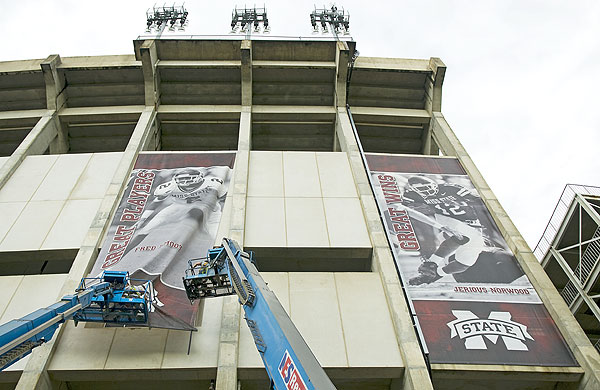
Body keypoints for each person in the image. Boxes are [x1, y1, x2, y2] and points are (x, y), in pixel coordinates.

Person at [401, 175, 522, 285]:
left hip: (471, 223)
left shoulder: (451, 189)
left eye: (430, 187)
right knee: (462, 235)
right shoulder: (412, 196)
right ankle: (430, 264)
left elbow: (477, 200)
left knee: (464, 264)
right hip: (446, 219)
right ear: (413, 190)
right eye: (422, 189)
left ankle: (436, 274)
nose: (429, 190)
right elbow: (404, 207)